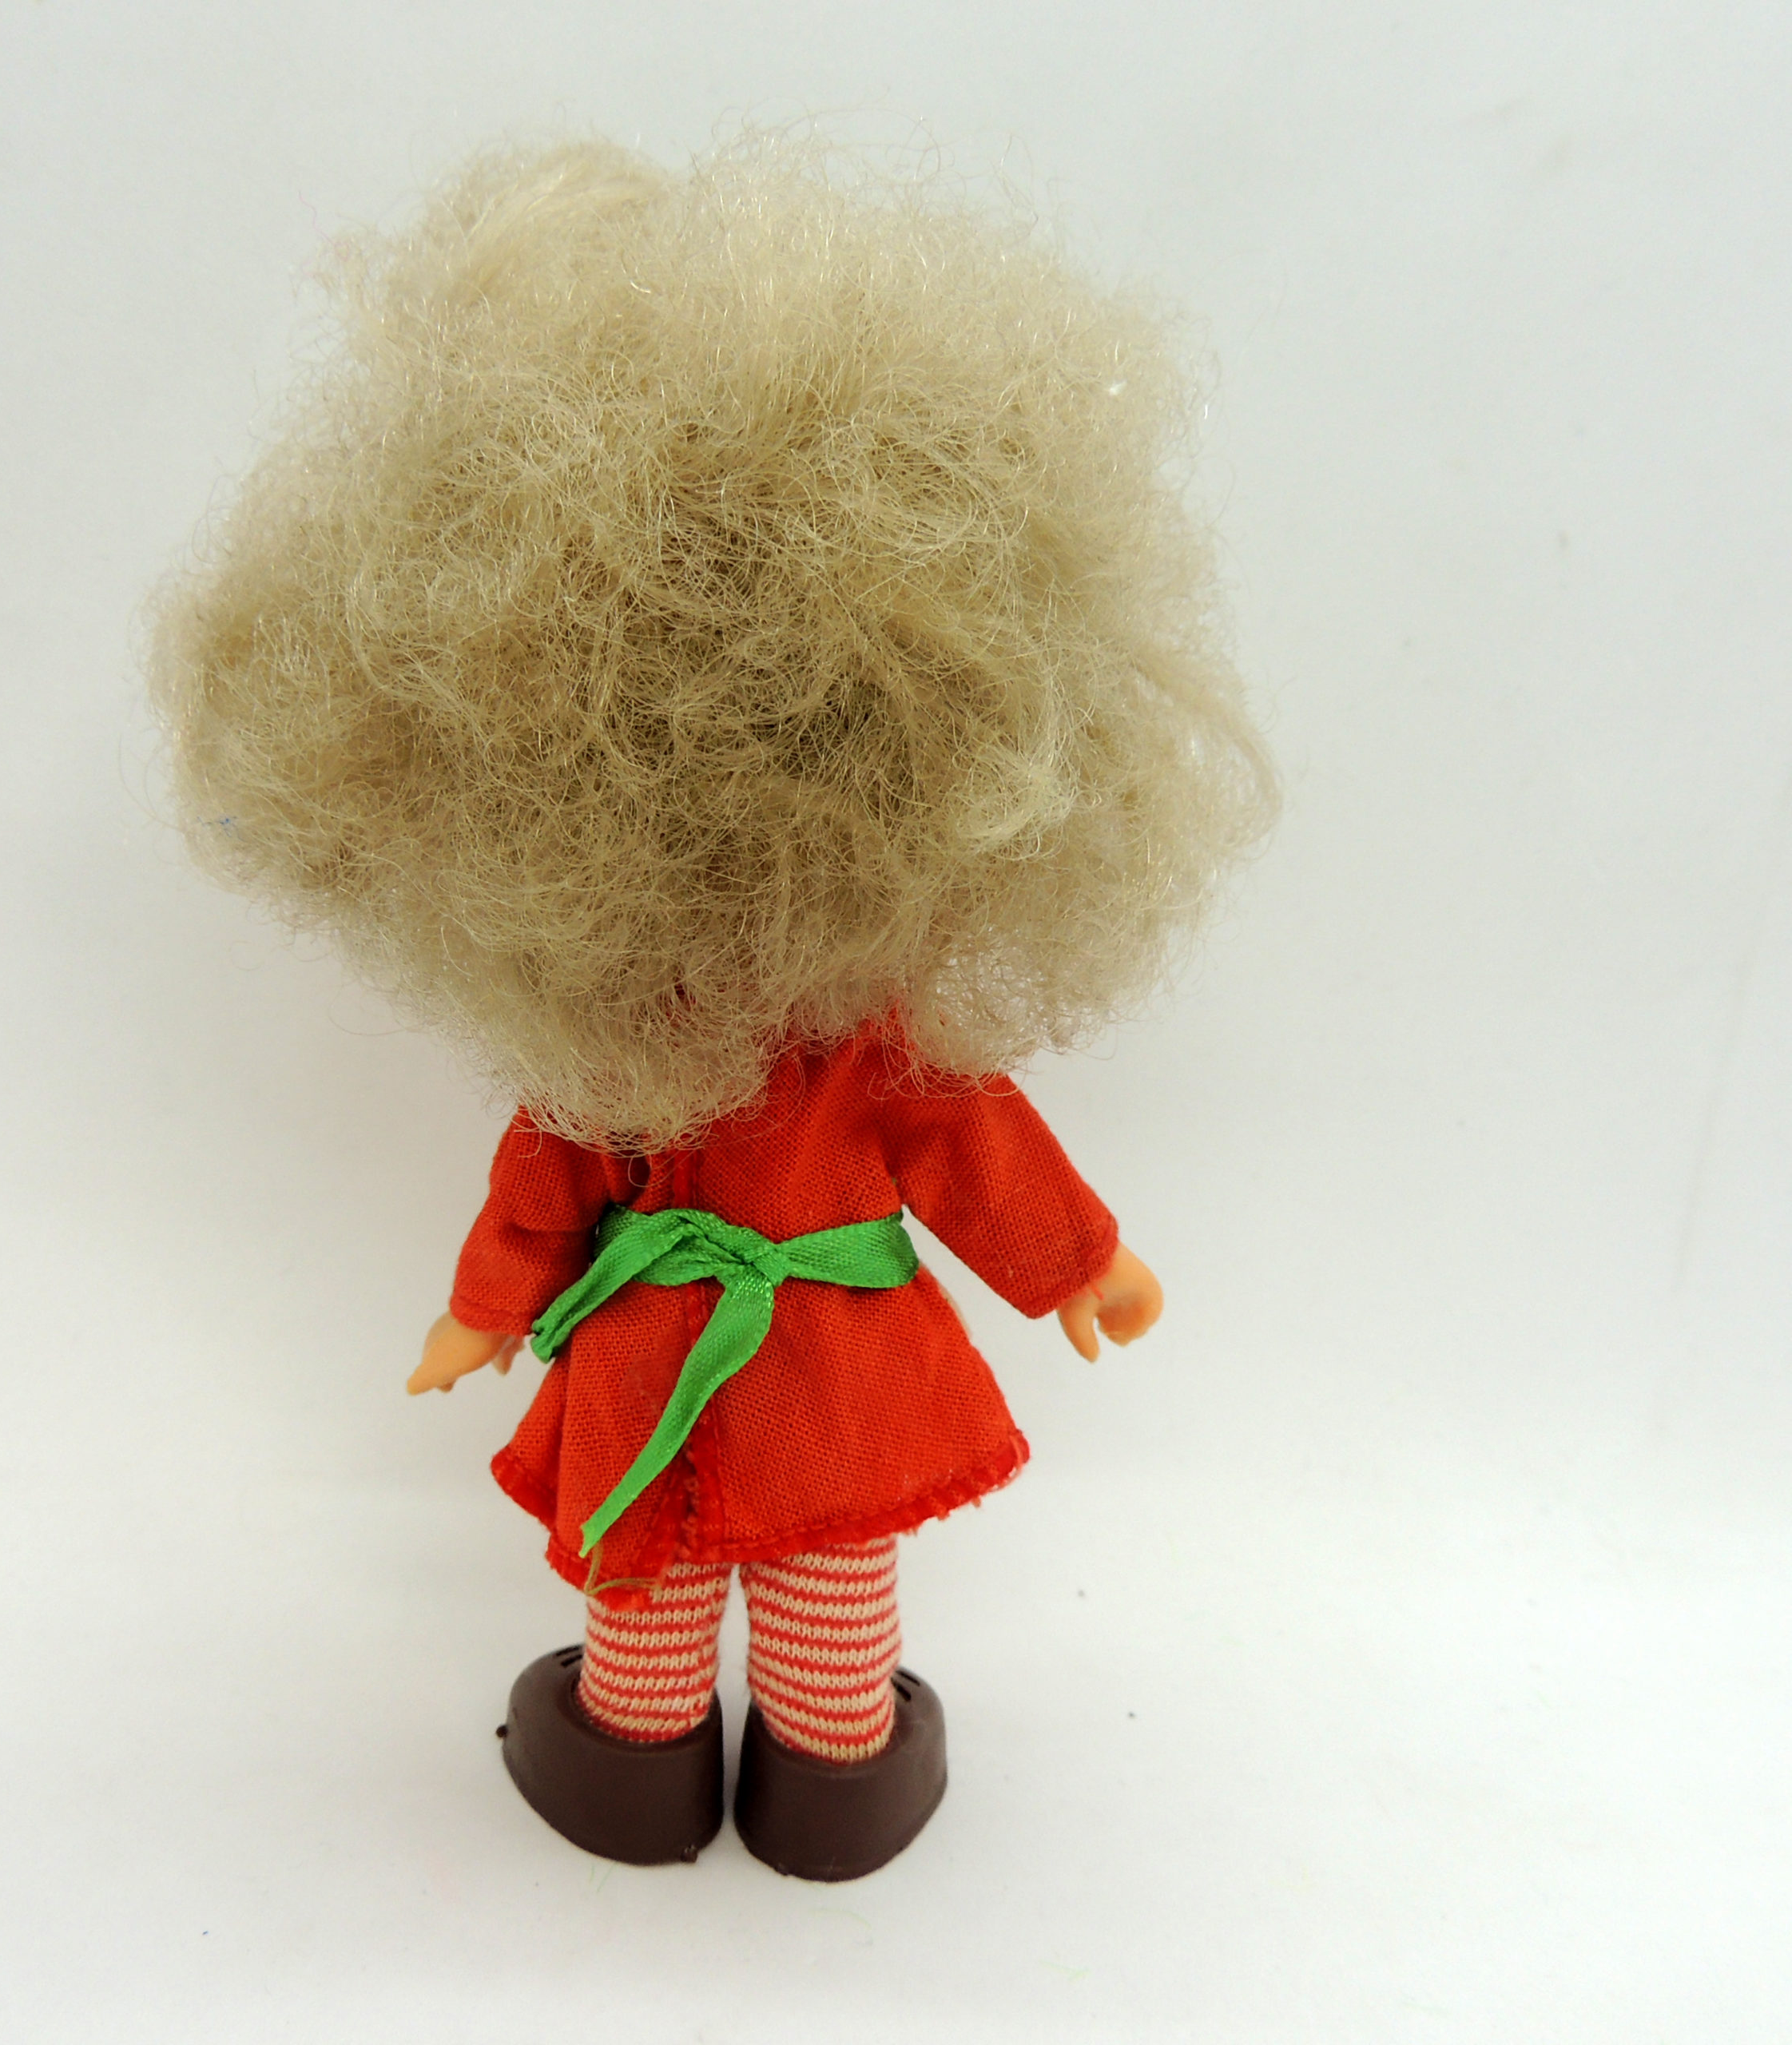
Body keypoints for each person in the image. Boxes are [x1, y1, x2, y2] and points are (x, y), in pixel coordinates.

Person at [149, 132, 1273, 1879]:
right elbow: (964, 1139)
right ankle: (828, 1777)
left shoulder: (632, 1036)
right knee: (819, 1573)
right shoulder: (838, 1031)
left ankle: (640, 1762)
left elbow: (561, 1185)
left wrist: (486, 1314)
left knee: (660, 1564)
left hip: (669, 1346)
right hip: (835, 1357)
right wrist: (1080, 1262)